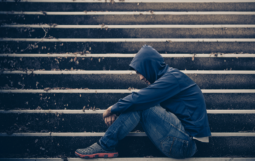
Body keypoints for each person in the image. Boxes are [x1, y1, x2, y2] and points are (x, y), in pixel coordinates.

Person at [75, 44, 211, 159]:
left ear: (150, 66)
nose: (140, 78)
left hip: (187, 144)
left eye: (140, 72)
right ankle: (106, 145)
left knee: (142, 104)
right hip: (182, 140)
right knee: (142, 103)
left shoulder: (173, 78)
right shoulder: (168, 79)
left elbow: (140, 99)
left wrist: (111, 109)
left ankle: (105, 145)